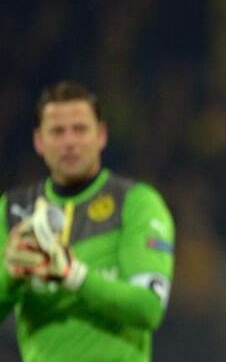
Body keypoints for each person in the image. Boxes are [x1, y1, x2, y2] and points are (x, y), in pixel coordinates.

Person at [0, 80, 175, 361]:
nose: (69, 141)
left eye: (80, 129)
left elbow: (147, 307)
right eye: (57, 131)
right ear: (38, 141)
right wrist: (9, 276)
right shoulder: (12, 210)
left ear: (101, 135)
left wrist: (74, 276)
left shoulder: (136, 203)